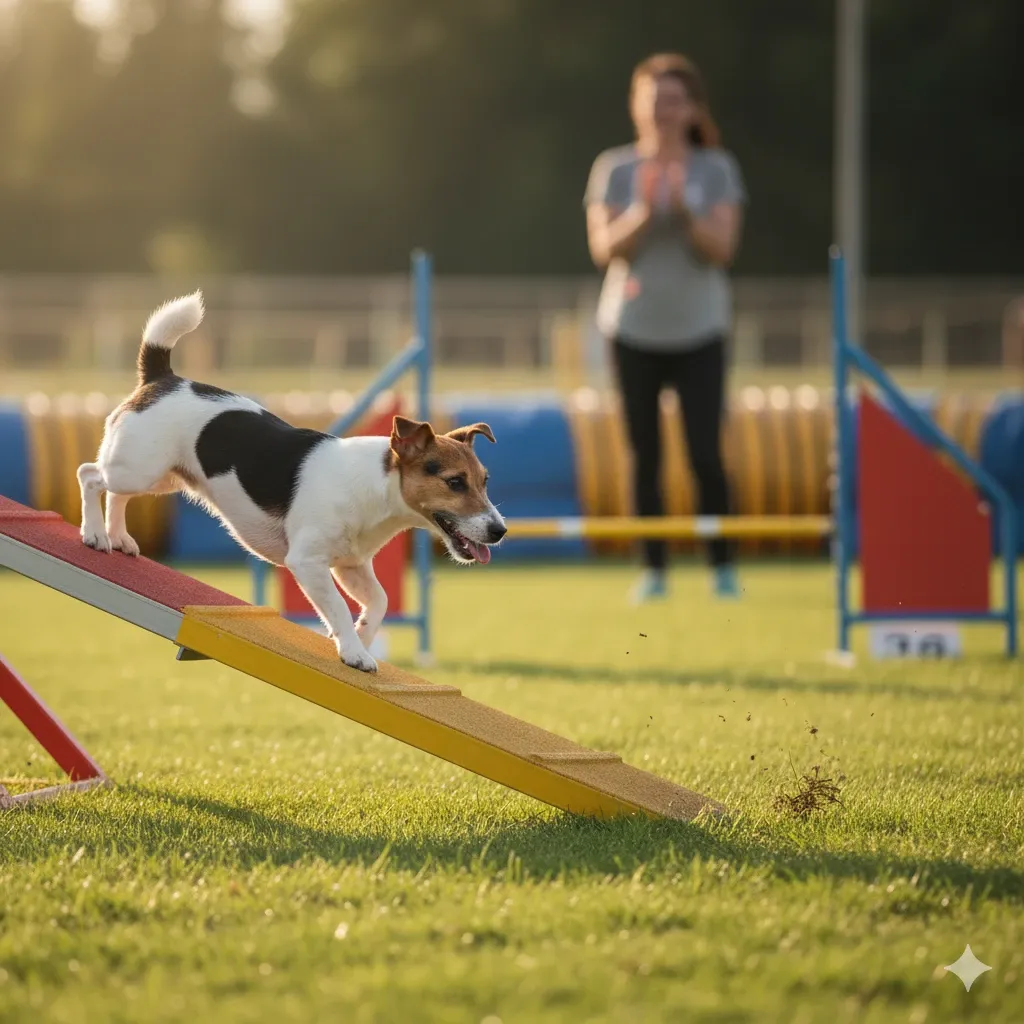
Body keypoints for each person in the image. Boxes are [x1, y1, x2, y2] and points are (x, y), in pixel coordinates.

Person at [584, 52, 746, 604]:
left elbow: (722, 249)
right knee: (643, 453)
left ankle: (722, 567)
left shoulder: (716, 168)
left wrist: (683, 209)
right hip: (631, 330)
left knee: (705, 452)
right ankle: (653, 569)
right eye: (653, 101)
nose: (663, 111)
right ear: (636, 107)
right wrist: (645, 213)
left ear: (692, 108)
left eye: (674, 100)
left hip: (701, 330)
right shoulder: (615, 168)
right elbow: (603, 249)